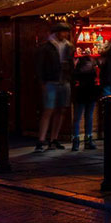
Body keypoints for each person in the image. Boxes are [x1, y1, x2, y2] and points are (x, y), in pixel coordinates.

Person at [35, 22, 73, 152]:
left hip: (64, 80)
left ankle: (53, 139)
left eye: (67, 32)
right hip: (51, 80)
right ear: (57, 32)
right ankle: (41, 139)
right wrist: (42, 82)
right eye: (63, 31)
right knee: (48, 110)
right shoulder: (46, 47)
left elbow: (71, 62)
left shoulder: (68, 46)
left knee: (61, 110)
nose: (66, 34)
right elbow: (39, 65)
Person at [71, 54, 99, 151]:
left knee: (78, 118)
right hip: (90, 94)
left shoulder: (77, 72)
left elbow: (74, 78)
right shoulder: (92, 72)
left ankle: (76, 141)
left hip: (81, 94)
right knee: (88, 117)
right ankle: (88, 140)